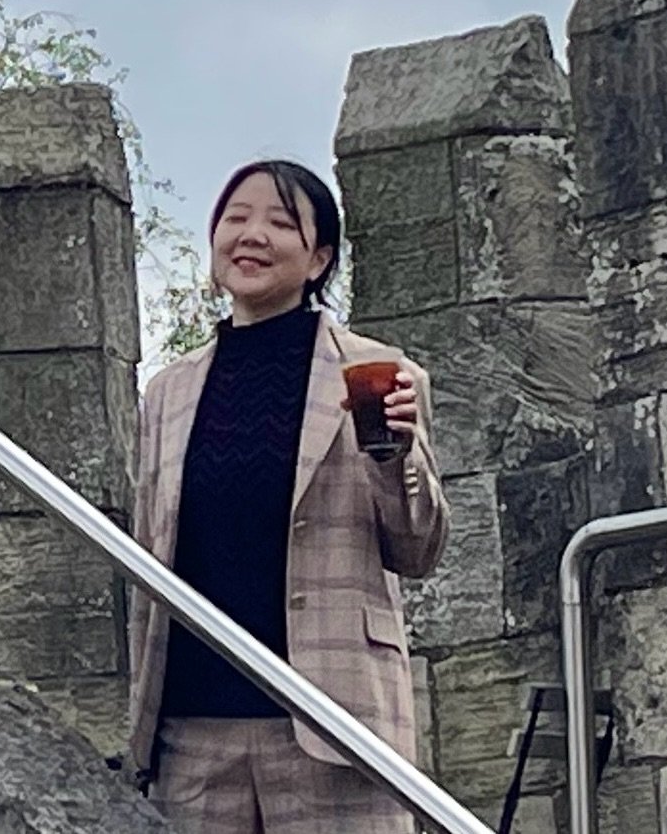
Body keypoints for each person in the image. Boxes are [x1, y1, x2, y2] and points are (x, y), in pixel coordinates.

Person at [129, 159, 449, 834]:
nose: (252, 234)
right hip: (191, 730)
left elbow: (416, 549)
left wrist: (397, 455)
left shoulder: (377, 372)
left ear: (318, 259)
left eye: (280, 222)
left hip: (335, 723)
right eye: (236, 217)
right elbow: (150, 552)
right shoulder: (167, 393)